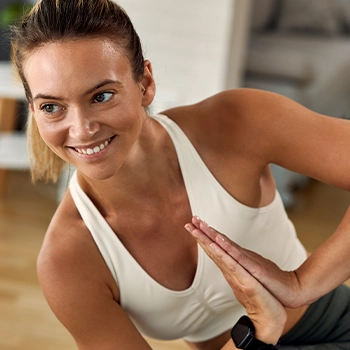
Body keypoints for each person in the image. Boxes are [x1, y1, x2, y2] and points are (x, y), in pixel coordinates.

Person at [10, 0, 350, 349]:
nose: (81, 130)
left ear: (145, 83)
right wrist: (258, 334)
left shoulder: (236, 123)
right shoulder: (67, 261)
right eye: (52, 107)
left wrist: (301, 285)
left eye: (102, 95)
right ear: (34, 111)